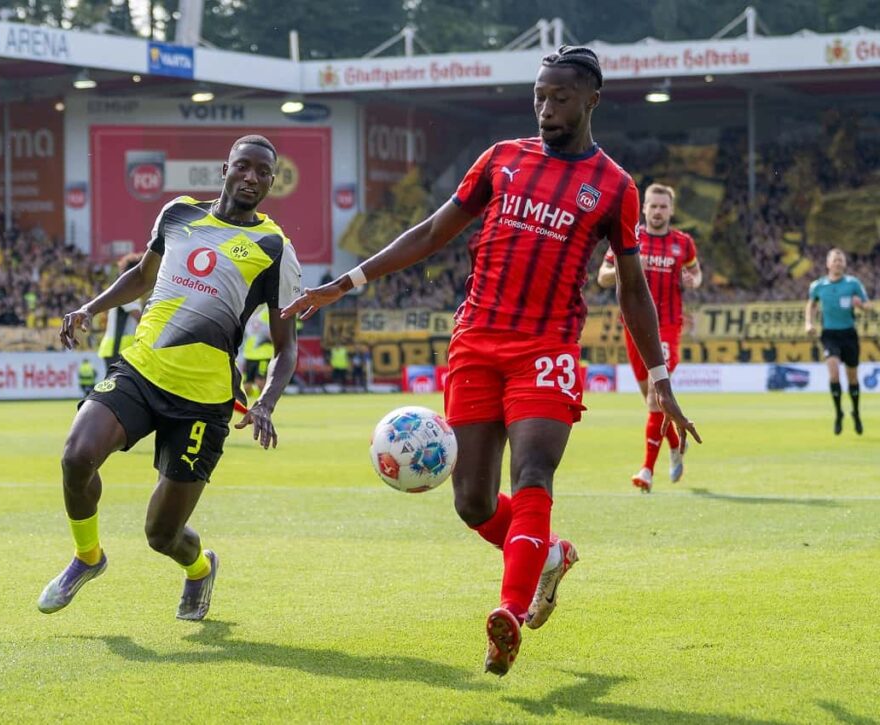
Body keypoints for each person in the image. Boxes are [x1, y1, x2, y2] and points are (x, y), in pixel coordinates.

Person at [282, 46, 700, 677]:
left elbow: (632, 287)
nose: (545, 108)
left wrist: (660, 376)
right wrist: (345, 282)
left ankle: (508, 612)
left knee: (534, 472)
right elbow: (429, 232)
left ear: (591, 100)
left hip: (547, 348)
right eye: (538, 95)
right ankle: (549, 556)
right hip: (475, 342)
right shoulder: (502, 159)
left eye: (559, 97)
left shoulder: (615, 187)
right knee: (473, 502)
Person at [38, 134, 301, 621]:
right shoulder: (177, 214)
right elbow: (142, 275)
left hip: (203, 402)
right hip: (142, 371)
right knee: (77, 457)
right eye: (244, 166)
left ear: (270, 182)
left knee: (162, 536)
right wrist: (89, 308)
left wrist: (265, 403)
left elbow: (287, 347)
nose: (252, 177)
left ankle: (200, 568)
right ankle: (87, 557)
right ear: (225, 169)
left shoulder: (275, 248)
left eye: (264, 172)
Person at [596, 183, 701, 492]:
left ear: (671, 210)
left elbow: (697, 274)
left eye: (663, 206)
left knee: (656, 397)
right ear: (644, 209)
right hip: (634, 328)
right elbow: (602, 276)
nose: (657, 211)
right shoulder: (630, 237)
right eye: (652, 206)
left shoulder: (683, 243)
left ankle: (646, 470)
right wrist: (619, 270)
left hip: (667, 327)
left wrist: (691, 280)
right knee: (652, 402)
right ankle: (672, 446)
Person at [805, 248, 870, 435]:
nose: (838, 263)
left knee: (852, 377)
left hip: (849, 334)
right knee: (833, 374)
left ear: (845, 264)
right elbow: (811, 304)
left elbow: (867, 305)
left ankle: (856, 412)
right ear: (828, 264)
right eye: (835, 260)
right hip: (830, 334)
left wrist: (861, 306)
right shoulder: (818, 286)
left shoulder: (853, 284)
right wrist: (809, 323)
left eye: (841, 260)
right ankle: (838, 413)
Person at [97, 253, 144, 371]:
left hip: (118, 347)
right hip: (118, 348)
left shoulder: (125, 290)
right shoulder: (126, 291)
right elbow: (140, 319)